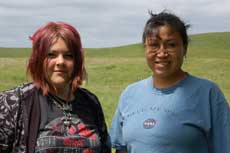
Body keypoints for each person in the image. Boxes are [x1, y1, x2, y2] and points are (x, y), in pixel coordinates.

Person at [108, 11, 230, 153]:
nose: (162, 53)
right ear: (145, 48)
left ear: (184, 48)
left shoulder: (208, 93)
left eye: (171, 45)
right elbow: (121, 149)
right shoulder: (130, 94)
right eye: (154, 45)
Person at [0, 22, 111, 153]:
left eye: (68, 55)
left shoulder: (90, 102)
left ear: (77, 61)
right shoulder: (14, 103)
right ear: (38, 59)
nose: (60, 62)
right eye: (51, 55)